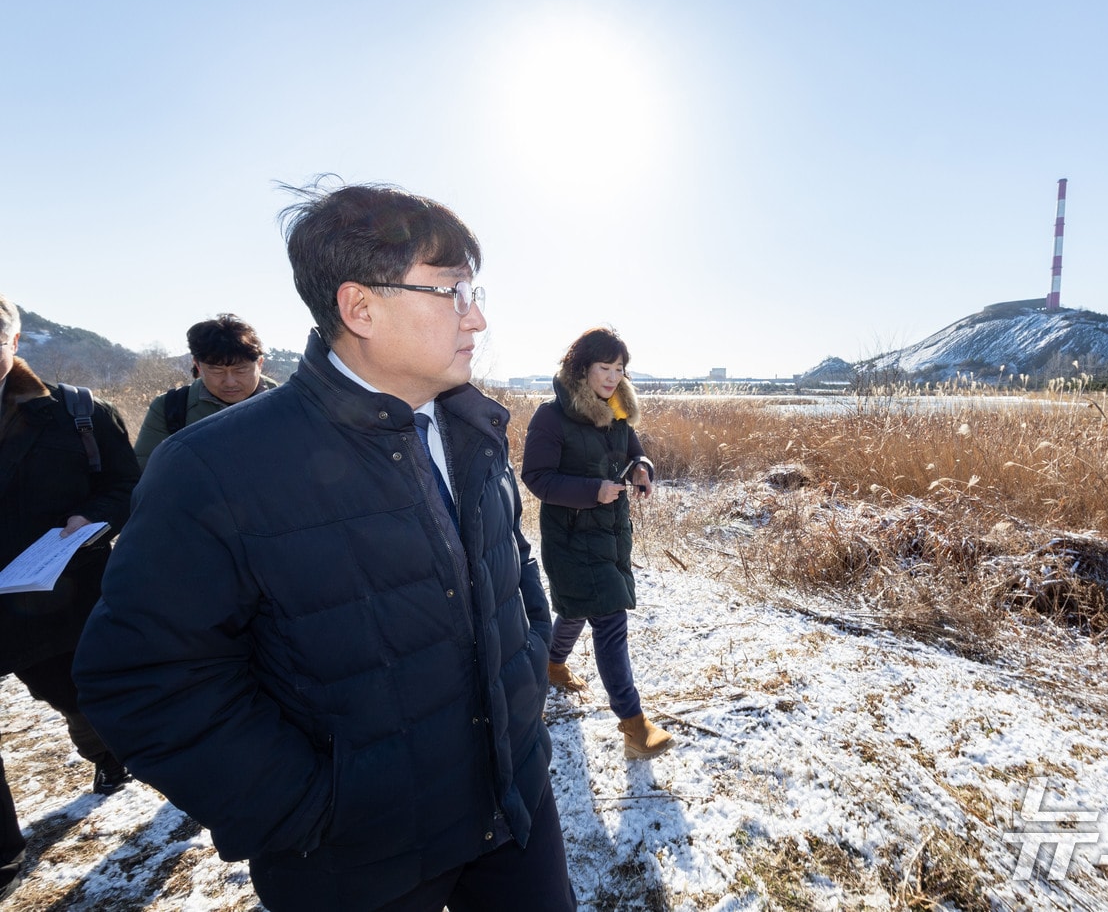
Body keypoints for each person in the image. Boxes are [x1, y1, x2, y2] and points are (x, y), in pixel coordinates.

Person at [73, 182, 574, 912]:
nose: (479, 317)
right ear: (359, 307)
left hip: (514, 806)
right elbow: (143, 677)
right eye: (451, 292)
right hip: (356, 861)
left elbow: (513, 566)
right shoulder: (216, 467)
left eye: (475, 290)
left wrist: (525, 680)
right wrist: (313, 810)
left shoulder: (472, 427)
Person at [0, 294, 139, 900]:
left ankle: (104, 749)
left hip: (59, 596)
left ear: (15, 340)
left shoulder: (78, 413)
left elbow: (124, 485)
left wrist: (93, 520)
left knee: (71, 692)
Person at [520, 327, 676, 760]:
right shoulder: (551, 417)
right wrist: (593, 490)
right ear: (581, 367)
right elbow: (536, 478)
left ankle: (551, 665)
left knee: (576, 607)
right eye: (604, 368)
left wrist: (641, 468)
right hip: (571, 535)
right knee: (608, 621)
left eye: (619, 369)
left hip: (610, 532)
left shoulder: (619, 409)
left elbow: (632, 450)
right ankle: (634, 727)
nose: (612, 378)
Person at [133, 313, 277, 469]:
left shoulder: (287, 404)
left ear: (260, 363)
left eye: (240, 370)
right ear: (198, 365)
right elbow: (146, 473)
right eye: (216, 371)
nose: (229, 382)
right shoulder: (170, 407)